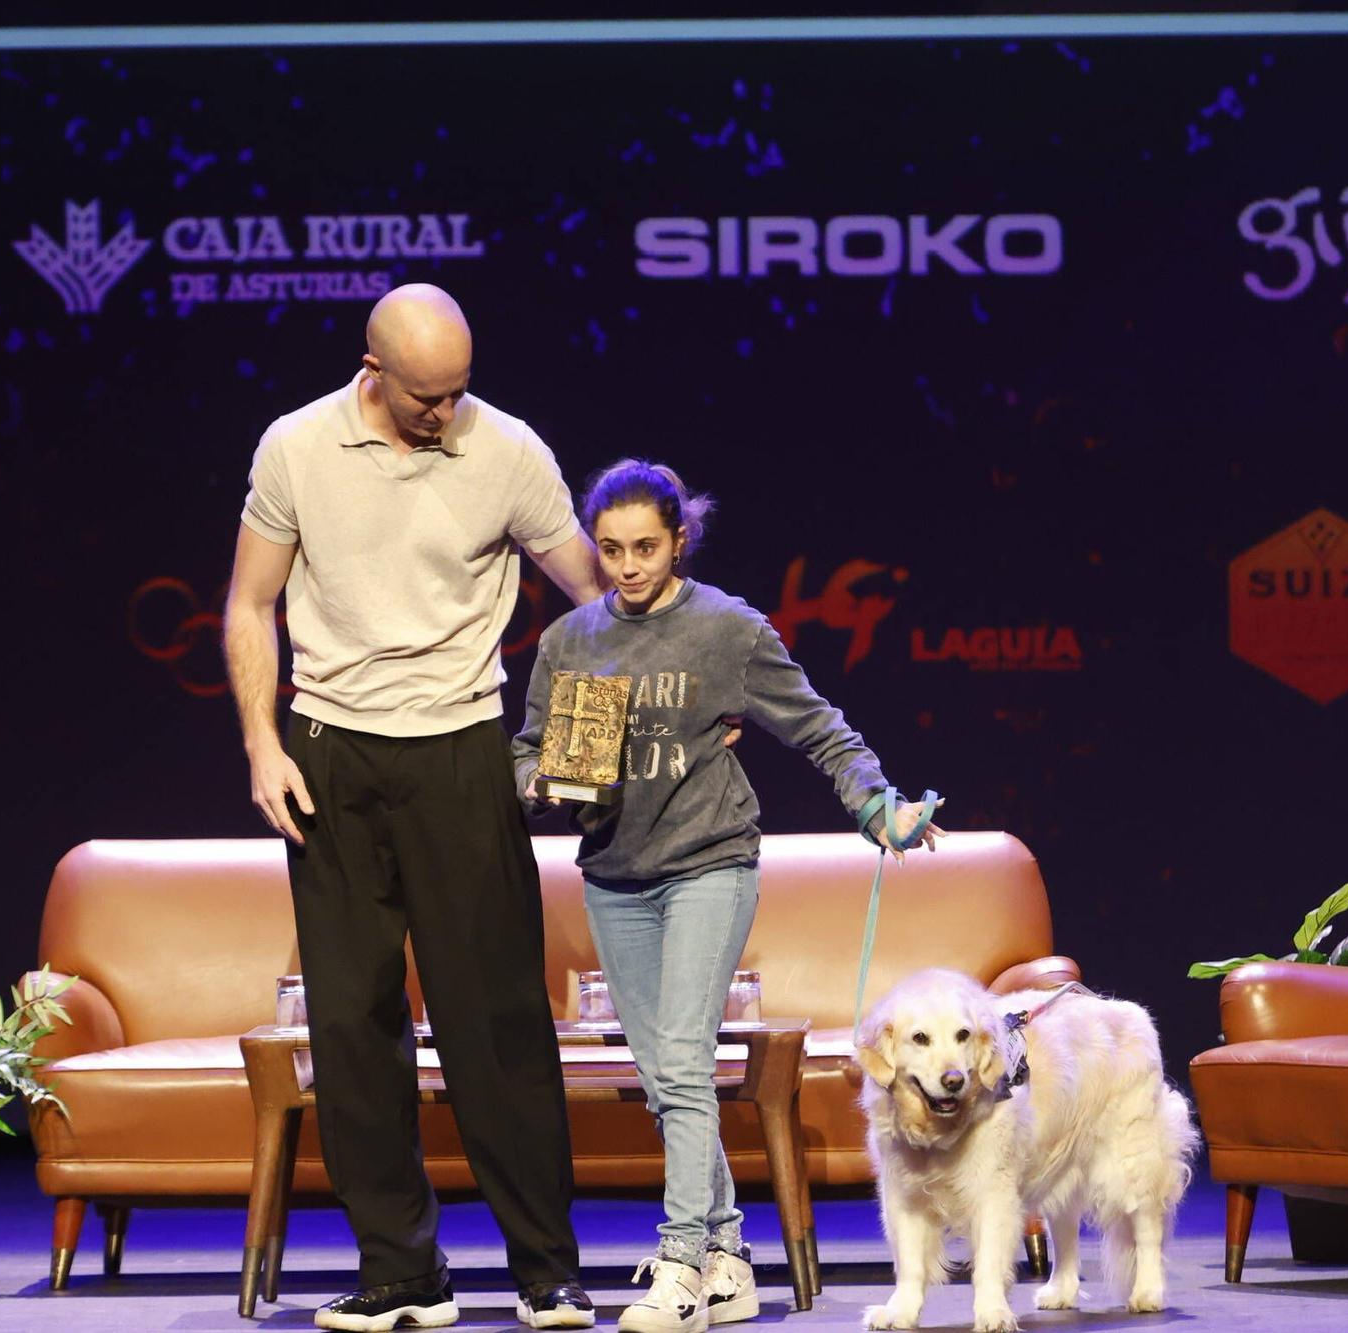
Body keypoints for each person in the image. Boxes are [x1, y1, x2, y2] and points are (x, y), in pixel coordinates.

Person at [225, 284, 604, 1331]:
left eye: (457, 391)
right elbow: (250, 600)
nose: (445, 412)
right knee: (351, 1023)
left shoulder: (506, 449)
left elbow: (596, 598)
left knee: (496, 1022)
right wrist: (263, 743)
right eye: (426, 395)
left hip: (459, 753)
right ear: (373, 370)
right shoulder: (296, 447)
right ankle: (401, 1271)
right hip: (331, 755)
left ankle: (545, 1268)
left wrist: (607, 731)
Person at [511, 460, 943, 1333]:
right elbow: (525, 752)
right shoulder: (571, 643)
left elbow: (818, 724)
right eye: (610, 550)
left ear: (678, 540)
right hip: (613, 873)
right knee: (666, 1078)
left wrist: (876, 804)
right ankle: (730, 1258)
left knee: (680, 1059)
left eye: (645, 547)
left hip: (709, 862)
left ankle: (678, 1264)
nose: (628, 566)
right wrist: (546, 782)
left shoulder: (726, 629)